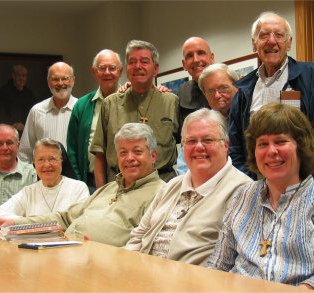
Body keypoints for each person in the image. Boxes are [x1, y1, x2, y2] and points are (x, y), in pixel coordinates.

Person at [207, 103, 314, 291]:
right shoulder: (242, 195)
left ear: (301, 147)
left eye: (281, 141)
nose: (271, 151)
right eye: (263, 144)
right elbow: (218, 264)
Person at [228, 11, 314, 196]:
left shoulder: (313, 75)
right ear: (254, 44)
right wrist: (249, 187)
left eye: (279, 35)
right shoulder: (244, 90)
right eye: (264, 35)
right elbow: (236, 147)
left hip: (312, 187)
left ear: (289, 43)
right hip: (261, 193)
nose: (271, 40)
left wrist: (299, 185)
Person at [0, 123, 165, 246]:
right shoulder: (109, 188)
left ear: (153, 156)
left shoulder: (162, 194)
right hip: (64, 251)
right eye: (123, 152)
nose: (129, 158)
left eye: (137, 151)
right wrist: (16, 223)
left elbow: (147, 248)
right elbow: (65, 218)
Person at [125, 108, 252, 265]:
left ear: (225, 145)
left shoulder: (244, 192)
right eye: (191, 141)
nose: (199, 147)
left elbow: (238, 261)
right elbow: (139, 235)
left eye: (207, 140)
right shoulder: (172, 185)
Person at [90, 40, 178, 188]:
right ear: (126, 69)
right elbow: (99, 155)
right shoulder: (110, 104)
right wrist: (102, 192)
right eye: (132, 62)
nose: (137, 66)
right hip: (119, 185)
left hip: (162, 186)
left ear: (155, 69)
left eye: (144, 61)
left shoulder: (171, 102)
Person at [0, 138, 89, 226]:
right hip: (34, 249)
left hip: (68, 248)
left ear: (62, 161)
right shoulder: (29, 192)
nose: (47, 165)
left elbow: (81, 222)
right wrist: (19, 220)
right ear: (34, 164)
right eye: (41, 160)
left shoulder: (78, 188)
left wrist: (21, 222)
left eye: (52, 159)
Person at [67, 50, 123, 191]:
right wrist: (79, 183)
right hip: (89, 183)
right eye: (102, 68)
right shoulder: (81, 105)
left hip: (125, 180)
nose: (107, 72)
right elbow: (72, 149)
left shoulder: (130, 101)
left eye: (112, 68)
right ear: (94, 71)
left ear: (120, 71)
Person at [176, 63, 239, 175]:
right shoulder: (198, 123)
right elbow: (184, 167)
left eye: (223, 89)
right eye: (210, 91)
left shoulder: (248, 120)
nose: (217, 95)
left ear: (237, 87)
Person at [18, 62, 77, 163]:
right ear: (48, 83)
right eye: (55, 79)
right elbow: (25, 152)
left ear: (72, 81)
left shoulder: (82, 109)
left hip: (76, 176)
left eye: (65, 78)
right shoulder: (36, 111)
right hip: (44, 174)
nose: (60, 83)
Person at [177, 37, 215, 134]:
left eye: (201, 53)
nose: (196, 59)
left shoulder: (232, 85)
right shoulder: (182, 93)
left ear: (212, 58)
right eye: (189, 56)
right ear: (184, 64)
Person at [0, 64, 36, 133]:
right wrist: (12, 125)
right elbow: (1, 113)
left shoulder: (30, 95)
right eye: (19, 75)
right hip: (8, 131)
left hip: (26, 131)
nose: (21, 78)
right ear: (13, 76)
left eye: (24, 75)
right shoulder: (3, 92)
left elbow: (34, 114)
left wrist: (24, 125)